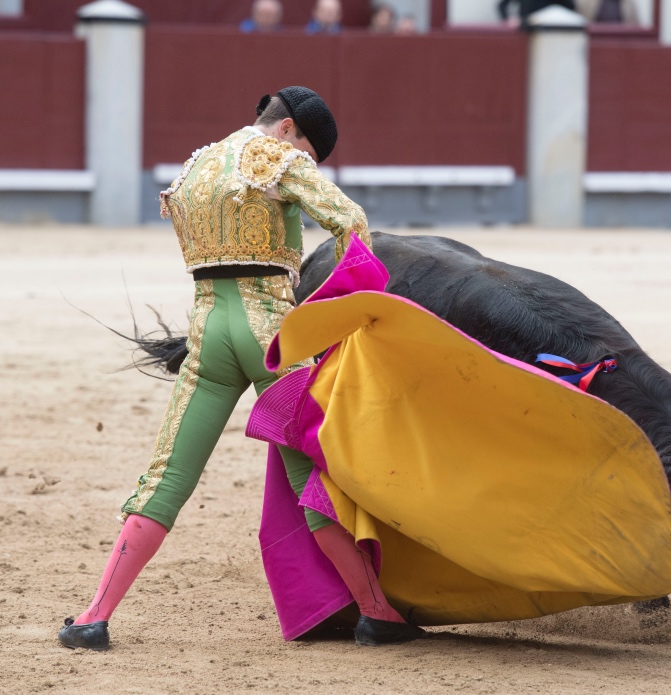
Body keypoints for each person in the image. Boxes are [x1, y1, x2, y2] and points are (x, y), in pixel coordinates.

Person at [57, 86, 423, 651]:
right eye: (305, 149)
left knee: (167, 478)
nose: (300, 157)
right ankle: (377, 612)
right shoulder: (274, 158)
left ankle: (93, 617)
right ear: (287, 132)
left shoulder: (196, 166)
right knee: (311, 477)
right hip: (270, 334)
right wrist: (345, 304)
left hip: (208, 334)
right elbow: (349, 220)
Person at [498, 0, 576, 27]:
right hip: (526, 28)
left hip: (548, 28)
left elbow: (570, 7)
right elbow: (502, 5)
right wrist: (508, 20)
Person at [576, 0, 640, 24]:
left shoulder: (628, 3)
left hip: (621, 44)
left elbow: (635, 26)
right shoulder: (589, 2)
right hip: (595, 42)